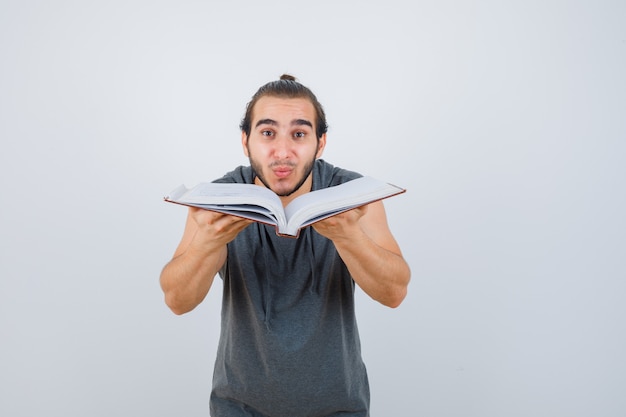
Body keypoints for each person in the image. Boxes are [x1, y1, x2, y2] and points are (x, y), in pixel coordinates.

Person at [160, 74, 411, 417]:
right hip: (239, 406)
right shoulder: (217, 198)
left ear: (320, 143)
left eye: (299, 134)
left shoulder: (354, 195)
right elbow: (177, 300)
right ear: (245, 140)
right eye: (267, 133)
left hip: (339, 406)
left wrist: (349, 237)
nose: (282, 152)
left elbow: (394, 292)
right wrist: (208, 243)